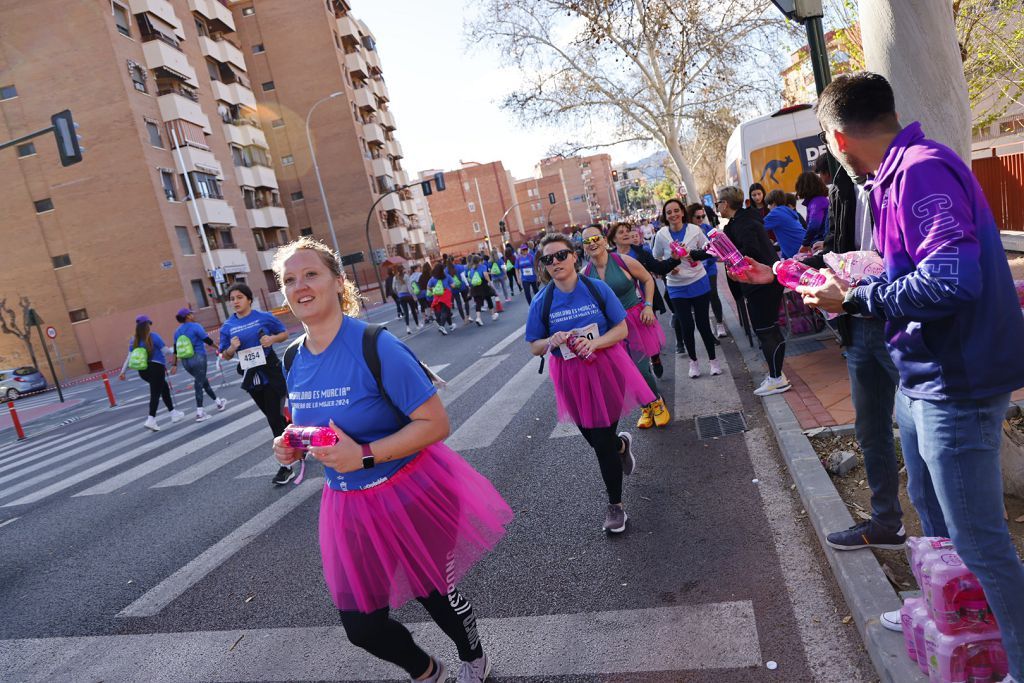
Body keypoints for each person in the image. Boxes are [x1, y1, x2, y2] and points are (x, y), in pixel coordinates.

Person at [798, 73, 1024, 674]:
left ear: (838, 136)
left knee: (980, 540)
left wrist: (854, 301)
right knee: (929, 507)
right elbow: (918, 270)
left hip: (959, 383)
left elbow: (952, 280)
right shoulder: (894, 175)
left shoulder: (921, 170)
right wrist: (858, 284)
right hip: (922, 379)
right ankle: (949, 611)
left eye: (826, 142)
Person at [272, 237, 511, 683]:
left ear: (337, 283)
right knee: (361, 625)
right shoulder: (292, 358)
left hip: (411, 490)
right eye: (289, 279)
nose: (300, 286)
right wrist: (291, 445)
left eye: (310, 274)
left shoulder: (375, 346)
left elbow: (435, 424)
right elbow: (313, 425)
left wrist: (362, 454)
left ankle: (474, 657)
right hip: (347, 504)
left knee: (435, 594)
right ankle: (426, 670)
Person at [526, 233, 655, 533]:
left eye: (561, 255)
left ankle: (616, 507)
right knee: (595, 439)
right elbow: (534, 345)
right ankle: (620, 446)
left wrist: (595, 343)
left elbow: (621, 329)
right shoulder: (541, 301)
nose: (555, 262)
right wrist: (550, 341)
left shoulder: (597, 289)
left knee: (601, 443)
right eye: (548, 259)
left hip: (606, 368)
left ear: (573, 256)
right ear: (544, 266)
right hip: (570, 376)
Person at [580, 225, 670, 430]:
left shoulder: (623, 261)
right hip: (609, 329)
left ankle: (656, 402)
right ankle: (645, 408)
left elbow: (647, 279)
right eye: (587, 241)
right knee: (625, 371)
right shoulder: (584, 274)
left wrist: (648, 305)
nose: (593, 243)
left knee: (639, 368)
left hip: (634, 320)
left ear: (604, 240)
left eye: (596, 238)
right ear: (583, 247)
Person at [715, 186, 790, 395]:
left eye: (718, 203)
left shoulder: (743, 223)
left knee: (766, 331)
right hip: (766, 280)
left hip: (760, 283)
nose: (717, 207)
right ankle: (777, 375)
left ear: (726, 204)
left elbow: (750, 250)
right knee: (770, 329)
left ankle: (777, 377)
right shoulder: (745, 219)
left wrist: (731, 256)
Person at [217, 283, 293, 486]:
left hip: (270, 370)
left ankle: (286, 466)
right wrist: (231, 349)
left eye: (239, 297)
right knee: (271, 414)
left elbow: (284, 333)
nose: (235, 301)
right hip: (251, 375)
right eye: (232, 298)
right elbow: (224, 355)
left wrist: (272, 339)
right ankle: (295, 440)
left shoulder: (263, 317)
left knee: (274, 416)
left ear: (249, 299)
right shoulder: (227, 327)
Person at [652, 199, 720, 379]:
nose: (673, 215)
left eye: (676, 210)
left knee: (703, 324)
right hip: (676, 287)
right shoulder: (662, 235)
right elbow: (655, 259)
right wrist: (669, 265)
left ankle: (713, 361)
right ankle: (694, 363)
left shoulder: (694, 230)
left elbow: (710, 250)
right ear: (665, 217)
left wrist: (693, 254)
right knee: (687, 326)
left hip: (698, 281)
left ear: (682, 212)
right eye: (669, 212)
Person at [607, 222, 681, 378]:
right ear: (613, 239)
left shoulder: (642, 253)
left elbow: (659, 268)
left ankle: (654, 358)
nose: (626, 234)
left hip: (645, 301)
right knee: (629, 339)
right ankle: (640, 369)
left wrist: (674, 260)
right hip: (621, 305)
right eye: (621, 232)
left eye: (628, 231)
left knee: (647, 334)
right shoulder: (608, 259)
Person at [119, 315, 184, 431]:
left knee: (164, 388)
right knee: (155, 393)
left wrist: (123, 372)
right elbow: (166, 351)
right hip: (156, 368)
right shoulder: (154, 337)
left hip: (143, 371)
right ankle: (151, 419)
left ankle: (174, 414)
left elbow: (129, 357)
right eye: (149, 324)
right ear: (147, 325)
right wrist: (176, 349)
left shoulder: (133, 340)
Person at [170, 308, 227, 422]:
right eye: (191, 314)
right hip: (198, 358)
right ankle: (199, 412)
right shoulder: (195, 326)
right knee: (199, 384)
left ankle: (219, 403)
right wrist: (219, 349)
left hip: (186, 362)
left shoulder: (177, 331)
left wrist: (175, 364)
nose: (193, 315)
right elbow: (207, 340)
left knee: (203, 381)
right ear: (187, 316)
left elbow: (176, 349)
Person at [686, 204, 728, 338]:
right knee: (700, 300)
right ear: (690, 217)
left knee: (713, 295)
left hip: (709, 268)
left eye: (703, 216)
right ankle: (706, 331)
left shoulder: (707, 229)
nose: (701, 219)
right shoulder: (686, 231)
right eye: (697, 217)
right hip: (694, 271)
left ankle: (720, 323)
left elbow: (717, 246)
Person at [763, 189, 807, 259]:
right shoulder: (788, 211)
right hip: (803, 245)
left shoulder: (776, 213)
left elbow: (759, 226)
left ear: (774, 203)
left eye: (769, 204)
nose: (768, 207)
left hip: (797, 251)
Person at [796, 171, 830, 251]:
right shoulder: (819, 200)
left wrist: (805, 243)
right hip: (822, 242)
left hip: (820, 244)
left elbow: (814, 225)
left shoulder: (817, 202)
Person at [467, 254, 496, 325]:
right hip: (483, 285)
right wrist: (490, 282)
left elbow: (470, 278)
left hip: (475, 287)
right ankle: (493, 314)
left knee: (478, 303)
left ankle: (478, 318)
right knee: (488, 299)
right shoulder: (483, 266)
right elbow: (485, 275)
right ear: (479, 261)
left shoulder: (472, 269)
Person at [427, 264, 455, 335]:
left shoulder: (433, 278)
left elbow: (428, 287)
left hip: (437, 295)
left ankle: (450, 325)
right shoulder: (446, 275)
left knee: (442, 310)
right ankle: (442, 326)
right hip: (446, 294)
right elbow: (453, 285)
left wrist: (434, 290)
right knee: (445, 310)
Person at [393, 265, 421, 334]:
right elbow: (410, 288)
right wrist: (414, 296)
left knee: (405, 312)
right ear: (403, 270)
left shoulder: (395, 278)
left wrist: (398, 294)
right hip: (408, 295)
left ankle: (408, 328)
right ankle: (417, 325)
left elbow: (393, 288)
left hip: (401, 296)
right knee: (413, 310)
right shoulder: (406, 276)